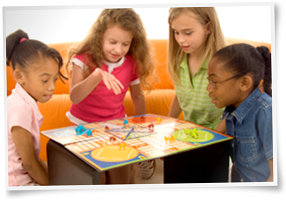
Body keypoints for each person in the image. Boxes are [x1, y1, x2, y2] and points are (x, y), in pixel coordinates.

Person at [65, 8, 155, 183]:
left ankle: (141, 163)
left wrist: (141, 125)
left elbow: (137, 96)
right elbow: (74, 97)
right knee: (97, 177)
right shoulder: (83, 59)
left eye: (125, 44)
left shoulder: (131, 63)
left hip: (115, 125)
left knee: (122, 177)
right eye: (112, 42)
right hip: (83, 125)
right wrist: (96, 75)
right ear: (100, 37)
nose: (118, 49)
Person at [206, 43, 273, 182]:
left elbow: (276, 177)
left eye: (214, 82)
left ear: (244, 83)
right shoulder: (231, 111)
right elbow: (212, 142)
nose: (208, 88)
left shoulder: (267, 112)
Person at [7, 29, 65, 186]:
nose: (52, 87)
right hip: (17, 182)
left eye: (55, 79)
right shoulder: (20, 108)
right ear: (20, 77)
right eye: (45, 80)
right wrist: (51, 187)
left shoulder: (23, 101)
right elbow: (29, 163)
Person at [167, 7, 226, 130]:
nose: (180, 40)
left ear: (208, 28)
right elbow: (181, 96)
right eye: (176, 32)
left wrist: (215, 136)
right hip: (189, 133)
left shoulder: (223, 64)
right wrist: (167, 123)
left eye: (188, 33)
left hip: (218, 135)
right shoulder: (179, 60)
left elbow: (235, 109)